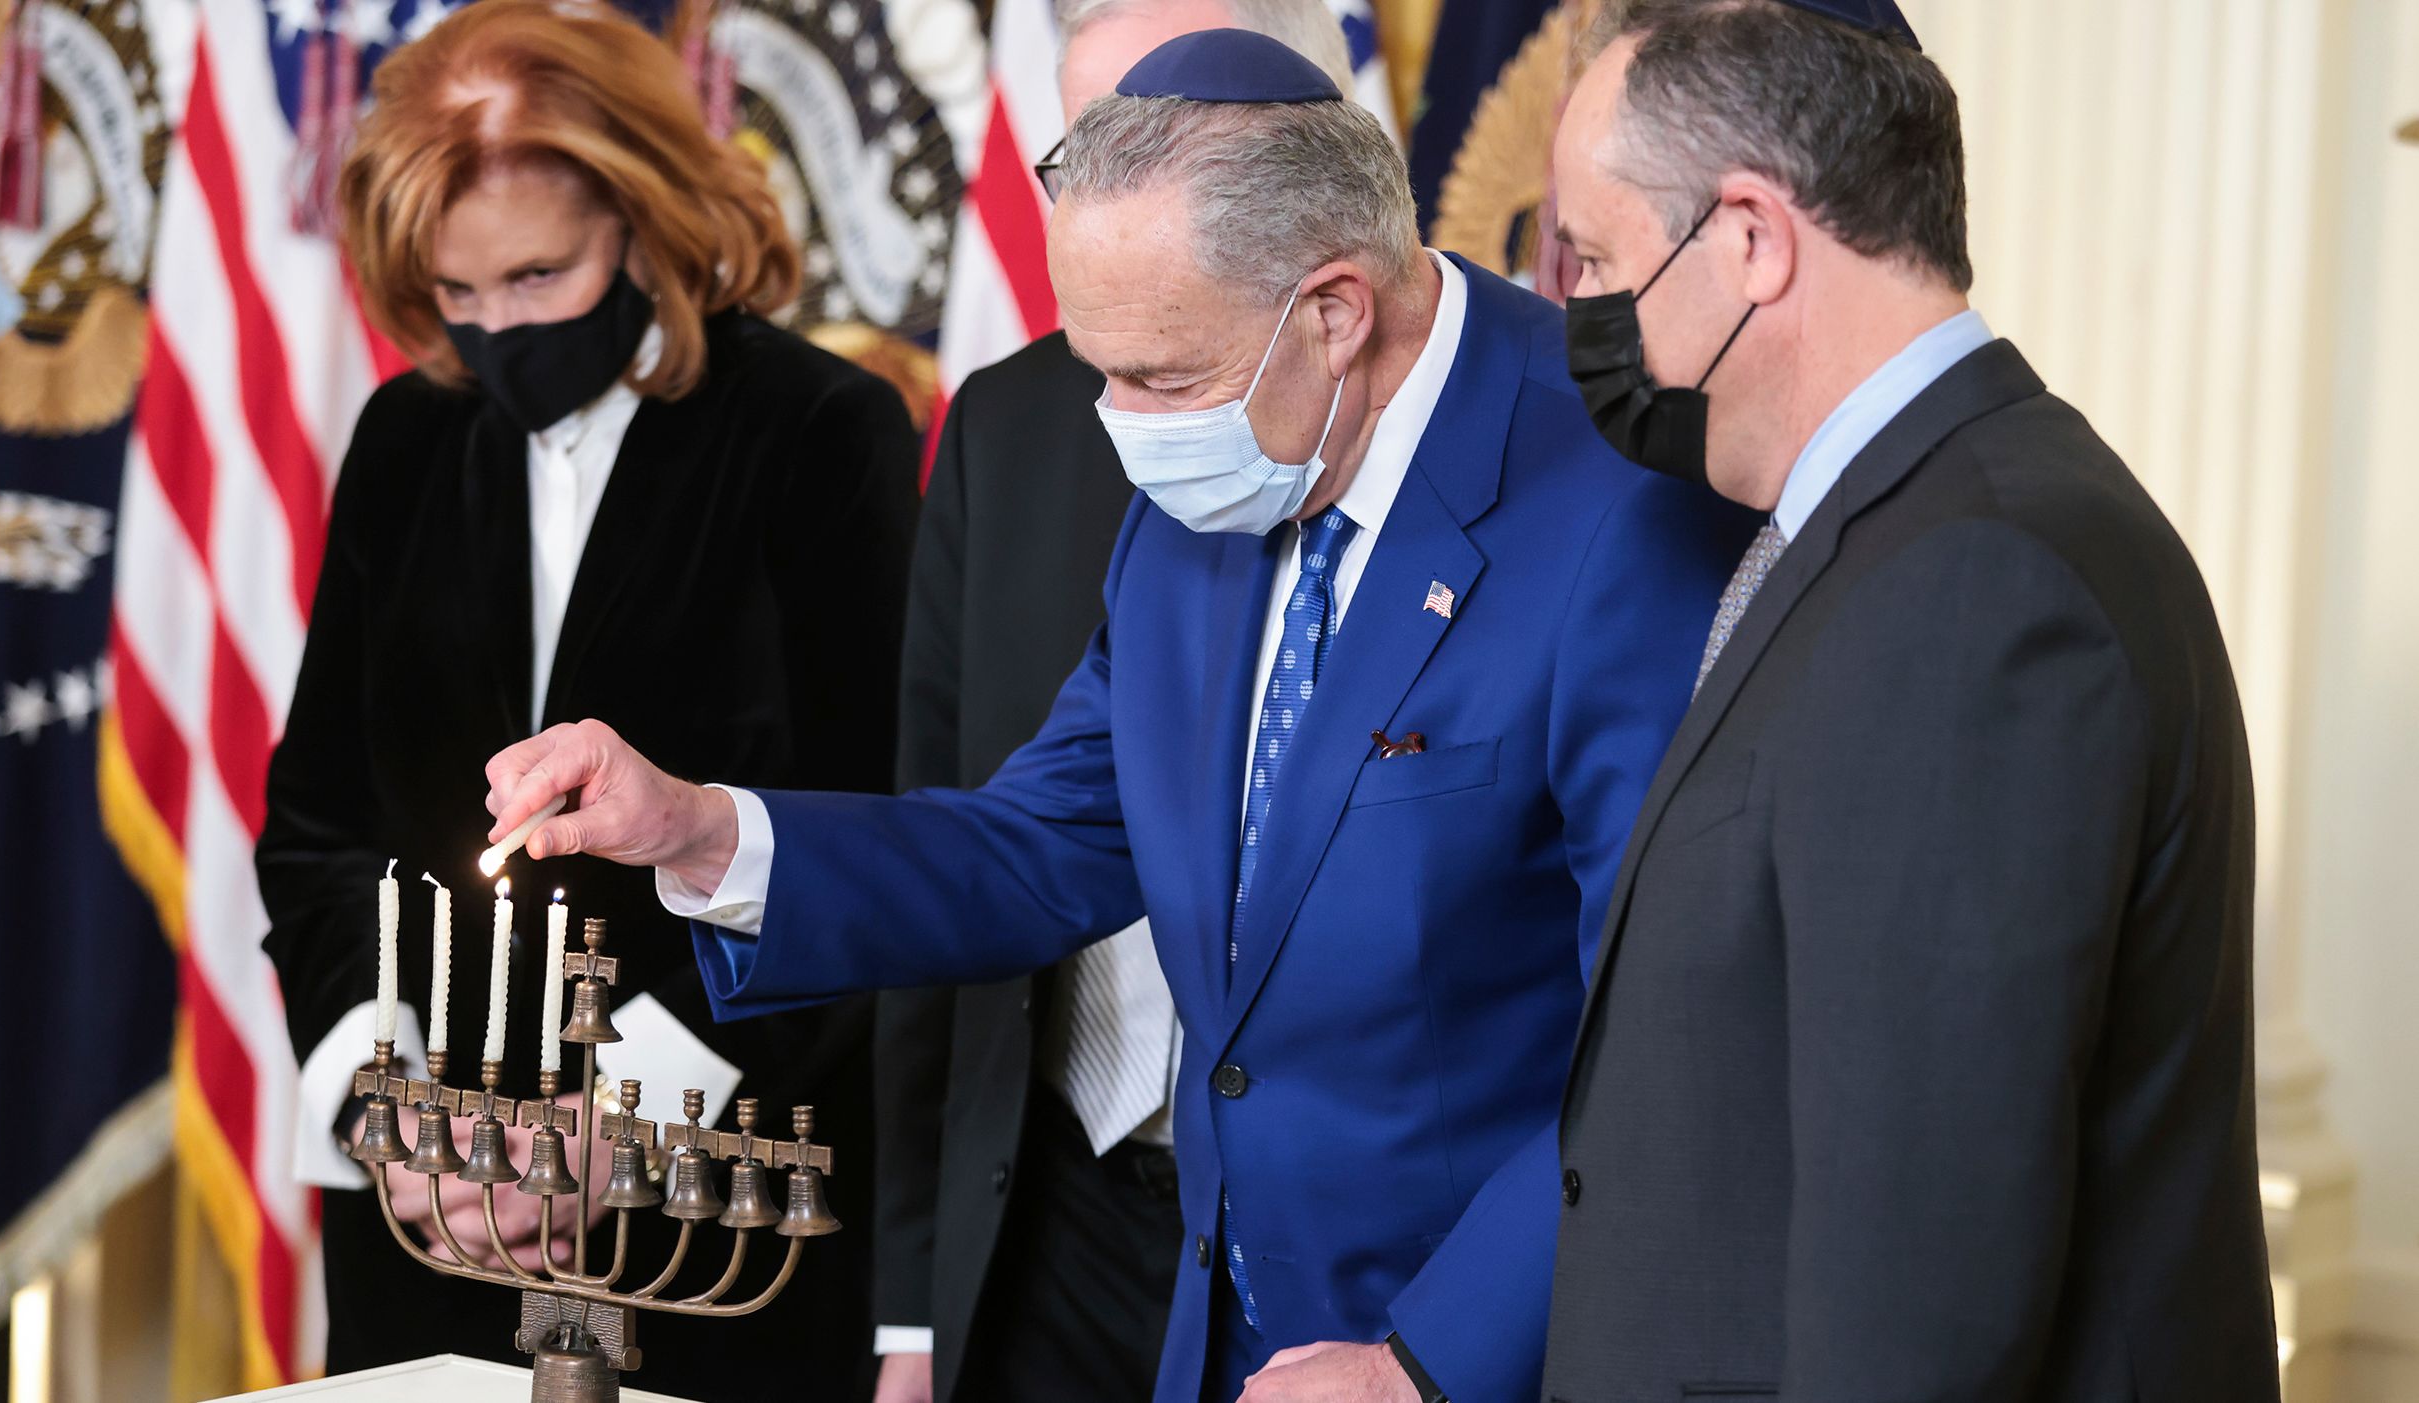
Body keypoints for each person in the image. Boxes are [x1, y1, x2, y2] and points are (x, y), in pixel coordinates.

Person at [483, 28, 1751, 1403]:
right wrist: (697, 830)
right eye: (1100, 368)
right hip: (1210, 1340)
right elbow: (1046, 843)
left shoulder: (1626, 490)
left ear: (1332, 311)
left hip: (1476, 1355)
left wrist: (1426, 1361)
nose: (1120, 426)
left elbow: (1671, 1034)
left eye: (1158, 378)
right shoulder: (1231, 453)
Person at [1538, 2, 2280, 1400]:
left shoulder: (1967, 587)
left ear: (1749, 239)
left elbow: (1919, 1294)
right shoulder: (1921, 524)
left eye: (1596, 256)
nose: (1574, 308)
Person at [253, 1, 919, 1394]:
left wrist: (620, 1125)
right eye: (456, 292)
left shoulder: (817, 428)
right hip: (422, 1218)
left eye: (537, 277)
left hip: (720, 1214)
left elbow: (871, 840)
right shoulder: (404, 436)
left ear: (646, 215)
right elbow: (317, 828)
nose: (497, 330)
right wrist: (386, 1108)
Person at [874, 10, 1360, 1403]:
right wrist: (910, 1308)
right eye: (1085, 148)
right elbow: (955, 837)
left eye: (1166, 139)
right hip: (1046, 1219)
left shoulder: (1502, 446)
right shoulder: (1016, 423)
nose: (1112, 188)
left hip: (1330, 1270)